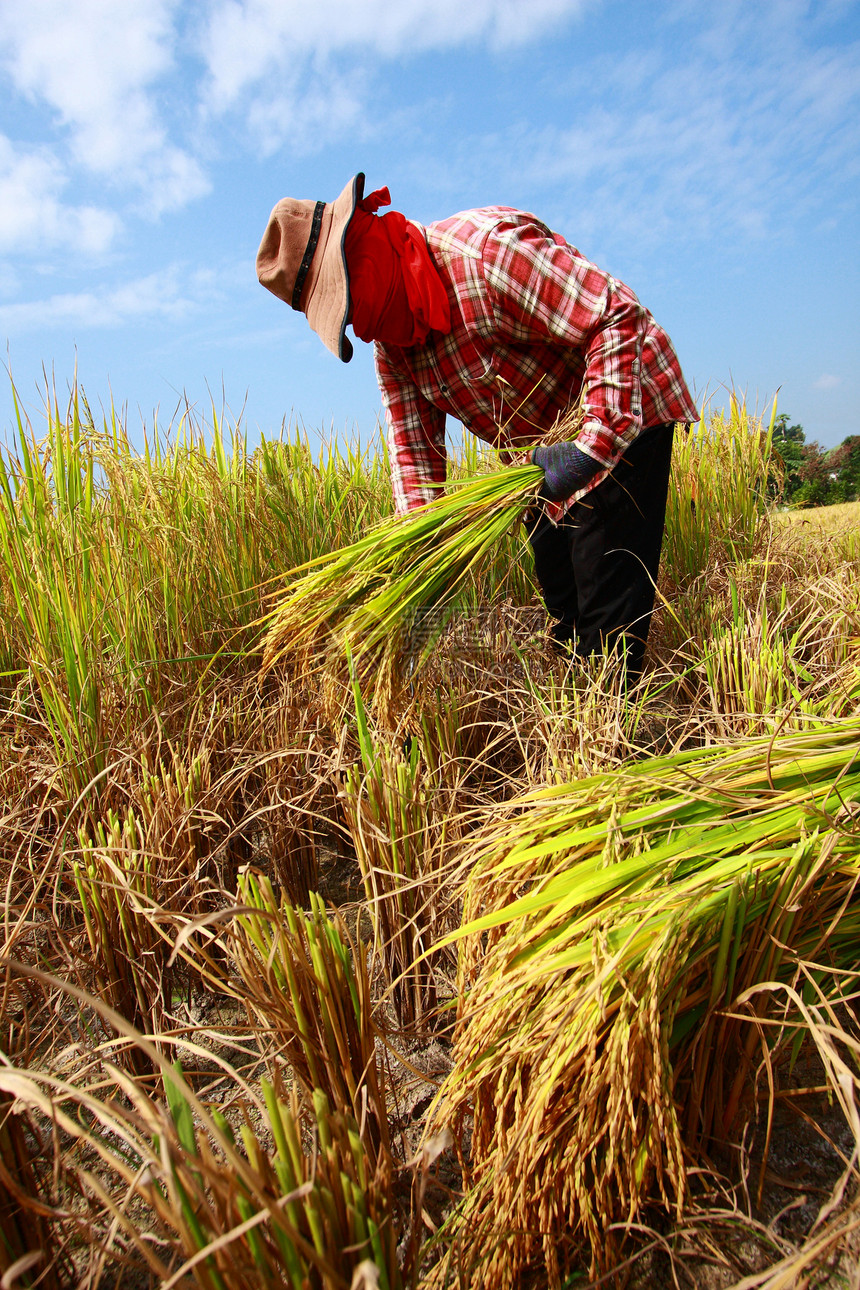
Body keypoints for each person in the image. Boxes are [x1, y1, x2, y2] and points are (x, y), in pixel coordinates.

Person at [256, 173, 699, 681]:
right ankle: (583, 719)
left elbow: (617, 318)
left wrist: (588, 449)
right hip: (538, 459)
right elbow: (415, 466)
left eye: (346, 299)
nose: (357, 324)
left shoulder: (486, 256)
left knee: (605, 620)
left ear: (363, 248)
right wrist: (416, 577)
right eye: (343, 316)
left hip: (621, 408)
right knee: (562, 602)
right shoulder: (394, 351)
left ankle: (615, 730)